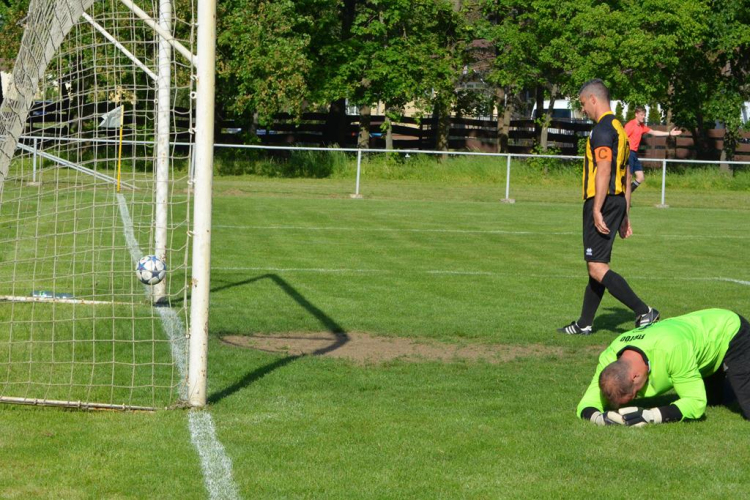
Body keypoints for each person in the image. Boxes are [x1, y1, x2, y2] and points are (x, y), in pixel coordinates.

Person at [557, 79, 658, 336]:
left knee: (597, 267)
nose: (583, 110)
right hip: (616, 202)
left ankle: (644, 311)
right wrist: (625, 213)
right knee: (596, 263)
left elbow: (604, 170)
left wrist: (596, 208)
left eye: (582, 104)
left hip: (601, 200)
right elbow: (625, 175)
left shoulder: (602, 129)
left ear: (593, 99)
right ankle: (584, 323)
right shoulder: (620, 130)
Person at [577, 308, 750, 426]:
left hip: (730, 331)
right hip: (701, 349)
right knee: (716, 400)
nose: (639, 396)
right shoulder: (609, 358)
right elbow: (586, 403)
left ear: (635, 377)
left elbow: (696, 403)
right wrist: (600, 419)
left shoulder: (672, 348)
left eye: (636, 393)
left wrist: (651, 416)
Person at [624, 106, 681, 192]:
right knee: (628, 178)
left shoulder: (642, 126)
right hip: (628, 153)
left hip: (634, 154)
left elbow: (654, 132)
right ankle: (623, 199)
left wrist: (670, 133)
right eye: (641, 115)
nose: (643, 117)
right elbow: (622, 138)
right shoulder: (630, 125)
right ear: (636, 115)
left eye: (644, 115)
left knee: (640, 177)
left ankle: (626, 195)